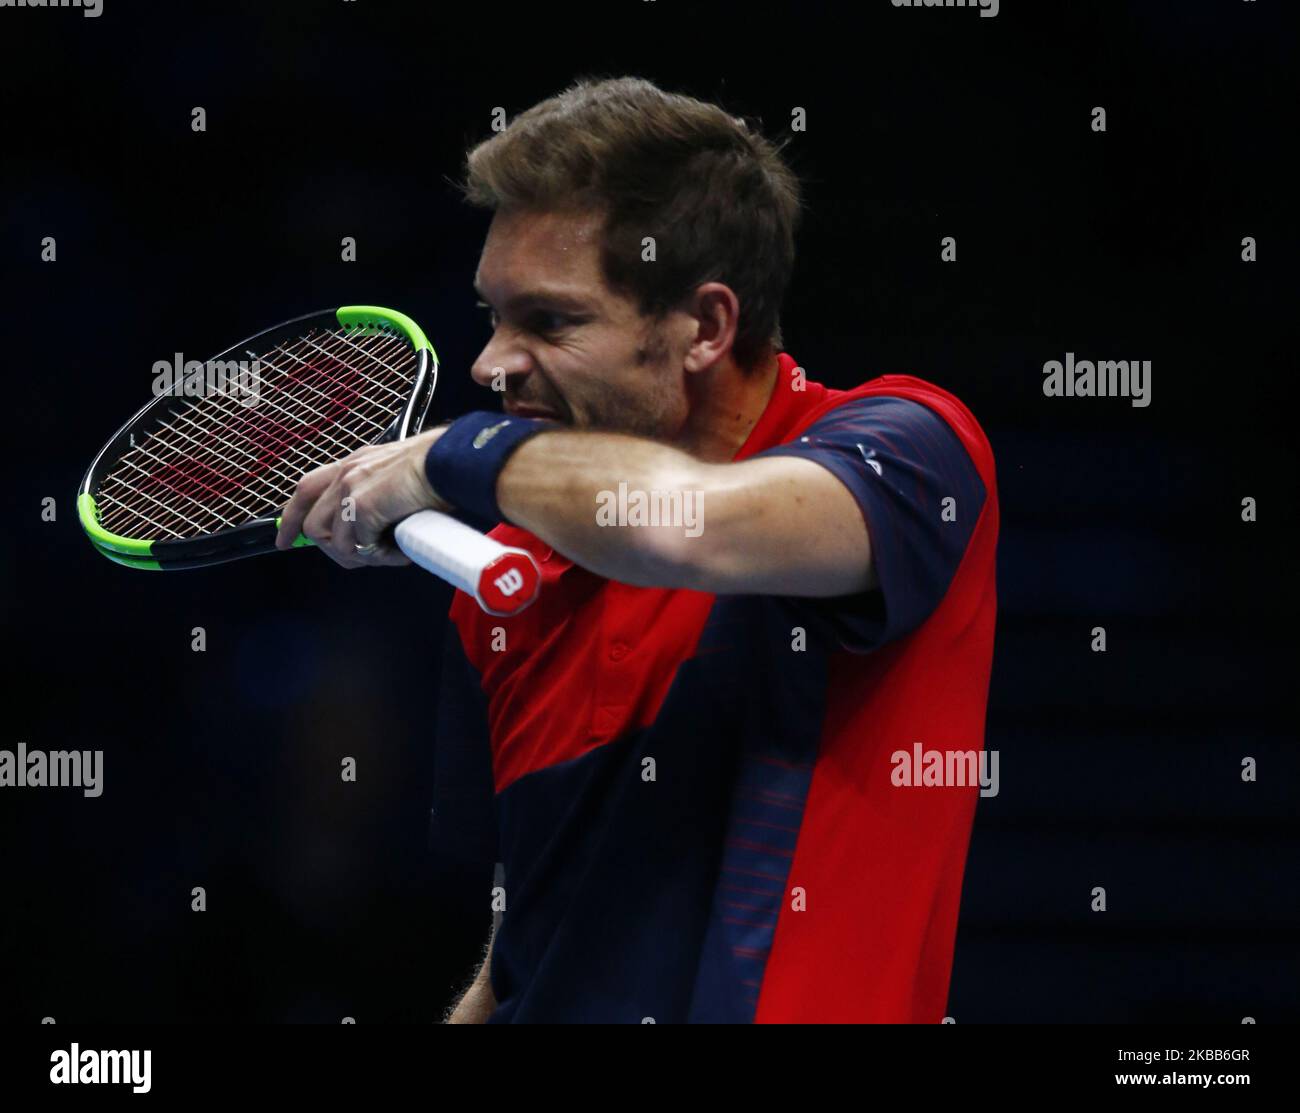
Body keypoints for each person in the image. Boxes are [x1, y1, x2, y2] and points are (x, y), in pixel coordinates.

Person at [276, 76, 999, 1023]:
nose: (490, 363)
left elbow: (686, 526)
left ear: (705, 326)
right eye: (493, 315)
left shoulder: (909, 451)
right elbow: (526, 949)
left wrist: (455, 454)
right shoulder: (500, 580)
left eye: (549, 320)